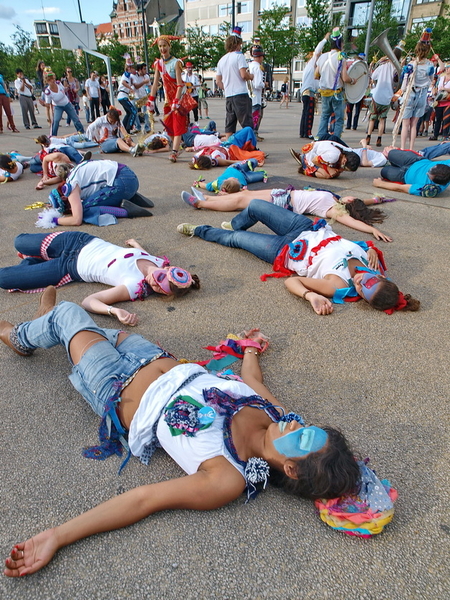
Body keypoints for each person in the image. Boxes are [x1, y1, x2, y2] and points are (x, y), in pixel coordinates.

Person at [1, 291, 373, 576]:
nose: (299, 425)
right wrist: (250, 348)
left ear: (291, 469)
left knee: (68, 313)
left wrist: (58, 536)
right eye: (310, 428)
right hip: (148, 354)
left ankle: (21, 335)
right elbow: (250, 379)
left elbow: (144, 500)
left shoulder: (227, 476)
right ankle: (40, 329)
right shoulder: (276, 415)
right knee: (75, 325)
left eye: (305, 439)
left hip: (112, 383)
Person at [177, 200, 420, 315]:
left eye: (362, 292)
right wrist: (370, 249)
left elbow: (291, 282)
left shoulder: (338, 286)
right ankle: (234, 224)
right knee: (255, 206)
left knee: (235, 240)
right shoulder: (373, 262)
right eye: (368, 282)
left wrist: (310, 295)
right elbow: (354, 245)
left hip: (285, 249)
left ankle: (200, 230)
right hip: (308, 227)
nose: (359, 283)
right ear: (381, 277)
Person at [0, 235, 198, 323]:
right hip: (79, 241)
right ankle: (35, 259)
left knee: (4, 278)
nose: (153, 282)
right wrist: (135, 243)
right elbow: (143, 255)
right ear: (166, 267)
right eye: (159, 277)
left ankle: (32, 263)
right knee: (20, 241)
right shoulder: (157, 261)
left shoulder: (133, 287)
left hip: (71, 266)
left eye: (160, 289)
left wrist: (115, 311)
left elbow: (88, 301)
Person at [181, 185, 392, 242]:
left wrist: (371, 229)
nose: (351, 197)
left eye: (352, 200)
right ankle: (208, 198)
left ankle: (200, 204)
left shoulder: (334, 209)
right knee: (245, 194)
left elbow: (351, 220)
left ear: (349, 205)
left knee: (240, 201)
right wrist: (376, 200)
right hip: (284, 193)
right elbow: (362, 203)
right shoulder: (337, 199)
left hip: (284, 202)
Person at [38, 160, 153, 227]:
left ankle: (128, 211)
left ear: (64, 197)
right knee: (93, 198)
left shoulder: (70, 188)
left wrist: (55, 220)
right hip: (130, 176)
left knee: (85, 209)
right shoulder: (77, 169)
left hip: (122, 184)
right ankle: (131, 196)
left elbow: (77, 220)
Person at [147, 36, 198, 162]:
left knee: (177, 127)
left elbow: (180, 84)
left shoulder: (176, 63)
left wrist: (176, 100)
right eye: (160, 46)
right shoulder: (158, 64)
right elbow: (155, 84)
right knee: (169, 127)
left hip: (177, 100)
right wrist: (151, 99)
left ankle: (174, 151)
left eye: (165, 45)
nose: (162, 48)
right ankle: (177, 146)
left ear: (169, 46)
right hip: (167, 101)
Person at [315, 28, 355, 139]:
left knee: (324, 116)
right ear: (340, 43)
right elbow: (345, 78)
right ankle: (335, 141)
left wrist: (325, 77)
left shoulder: (323, 57)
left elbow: (316, 74)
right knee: (339, 118)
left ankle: (320, 138)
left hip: (324, 92)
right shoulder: (340, 57)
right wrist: (352, 80)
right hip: (336, 93)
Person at [216, 26, 254, 139]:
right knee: (247, 123)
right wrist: (250, 76)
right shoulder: (239, 56)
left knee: (230, 124)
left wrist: (226, 87)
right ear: (238, 44)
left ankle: (229, 147)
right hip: (240, 94)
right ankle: (251, 146)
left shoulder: (221, 60)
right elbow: (243, 74)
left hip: (229, 95)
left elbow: (218, 81)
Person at [399, 32, 434, 151]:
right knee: (414, 125)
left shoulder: (411, 64)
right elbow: (431, 80)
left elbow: (404, 85)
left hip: (410, 94)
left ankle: (403, 148)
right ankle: (412, 148)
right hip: (422, 95)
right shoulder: (430, 65)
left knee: (405, 124)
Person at [373, 145, 450, 197]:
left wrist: (380, 184)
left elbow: (400, 187)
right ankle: (389, 158)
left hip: (403, 175)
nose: (427, 172)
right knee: (391, 153)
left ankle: (391, 163)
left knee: (384, 171)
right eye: (430, 169)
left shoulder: (430, 189)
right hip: (415, 160)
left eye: (428, 175)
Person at [366, 49, 402, 148]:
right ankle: (379, 139)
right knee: (382, 119)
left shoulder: (383, 66)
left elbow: (373, 76)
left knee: (372, 118)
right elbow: (397, 82)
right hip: (388, 96)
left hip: (377, 94)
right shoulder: (397, 68)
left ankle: (368, 137)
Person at [299, 34, 329, 139]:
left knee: (305, 112)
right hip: (309, 92)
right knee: (309, 113)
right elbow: (317, 50)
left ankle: (303, 132)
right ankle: (308, 132)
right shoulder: (312, 64)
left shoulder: (310, 67)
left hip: (307, 92)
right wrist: (325, 39)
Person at [187, 158, 267, 194]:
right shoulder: (240, 187)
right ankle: (254, 171)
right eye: (237, 181)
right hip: (246, 177)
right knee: (262, 175)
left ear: (225, 180)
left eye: (234, 179)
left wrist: (198, 183)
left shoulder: (216, 183)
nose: (236, 178)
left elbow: (205, 186)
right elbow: (247, 194)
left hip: (236, 168)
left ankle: (255, 164)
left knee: (253, 161)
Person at [289, 138, 360, 179]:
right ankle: (305, 169)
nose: (343, 170)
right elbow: (315, 160)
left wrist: (337, 171)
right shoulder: (334, 156)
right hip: (310, 156)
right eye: (344, 168)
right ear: (344, 160)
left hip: (319, 155)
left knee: (335, 174)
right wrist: (329, 169)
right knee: (327, 175)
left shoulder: (344, 152)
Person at [44, 70, 84, 137]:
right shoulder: (48, 91)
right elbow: (48, 104)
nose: (53, 81)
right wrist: (44, 104)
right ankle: (53, 136)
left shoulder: (59, 84)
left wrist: (67, 88)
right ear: (47, 81)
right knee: (56, 121)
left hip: (67, 103)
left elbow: (64, 90)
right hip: (58, 106)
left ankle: (82, 133)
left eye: (53, 79)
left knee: (75, 119)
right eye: (50, 80)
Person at [345, 53, 367, 131]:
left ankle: (354, 125)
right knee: (349, 110)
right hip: (351, 89)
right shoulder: (353, 65)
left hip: (359, 91)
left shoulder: (364, 68)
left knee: (357, 111)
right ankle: (349, 124)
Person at [248, 47, 265, 141]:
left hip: (249, 95)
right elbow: (258, 84)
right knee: (256, 115)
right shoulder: (257, 67)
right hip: (256, 96)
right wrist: (264, 84)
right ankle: (254, 134)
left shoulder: (249, 65)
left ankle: (252, 134)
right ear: (260, 57)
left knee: (251, 116)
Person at [429, 63, 450, 140]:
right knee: (438, 119)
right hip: (439, 101)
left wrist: (445, 89)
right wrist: (434, 91)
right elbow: (435, 87)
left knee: (447, 118)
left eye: (449, 67)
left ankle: (445, 135)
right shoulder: (441, 78)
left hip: (448, 101)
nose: (447, 69)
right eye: (446, 68)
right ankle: (435, 135)